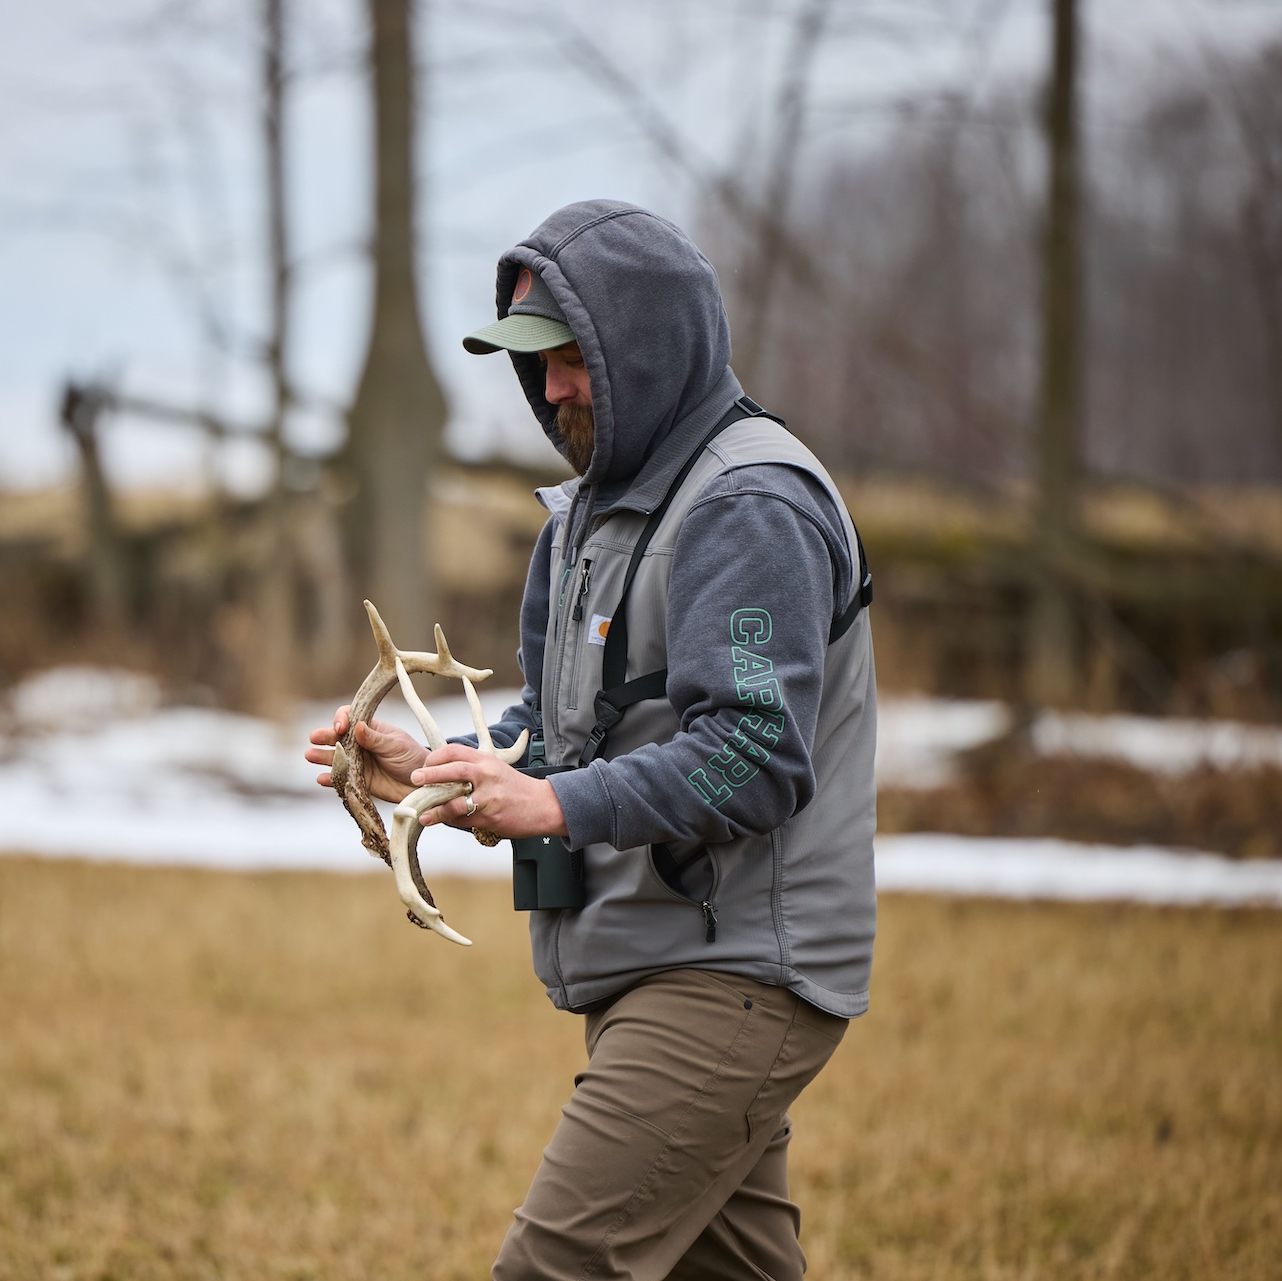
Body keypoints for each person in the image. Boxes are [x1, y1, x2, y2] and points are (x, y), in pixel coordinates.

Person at [304, 199, 877, 1280]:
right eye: (537, 362)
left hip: (733, 974)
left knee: (553, 1267)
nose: (552, 387)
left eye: (573, 359)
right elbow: (561, 733)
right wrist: (439, 770)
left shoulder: (750, 507)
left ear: (646, 350)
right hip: (656, 962)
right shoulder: (587, 519)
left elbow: (753, 751)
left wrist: (557, 805)